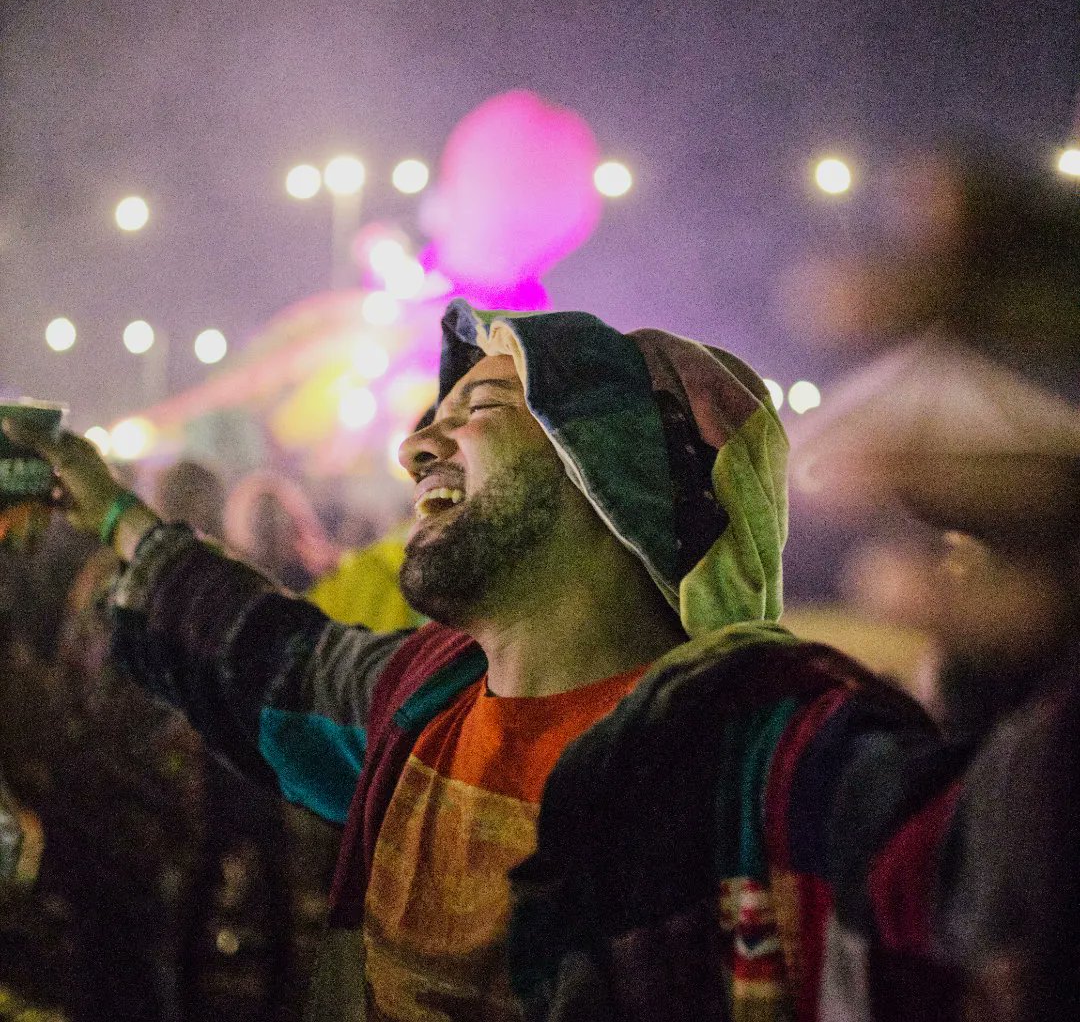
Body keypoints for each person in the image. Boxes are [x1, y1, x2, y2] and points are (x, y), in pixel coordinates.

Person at [5, 282, 1075, 1022]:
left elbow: (994, 871)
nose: (417, 443)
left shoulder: (763, 752)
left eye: (480, 405)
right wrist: (110, 515)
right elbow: (260, 651)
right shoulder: (415, 705)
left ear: (622, 478)